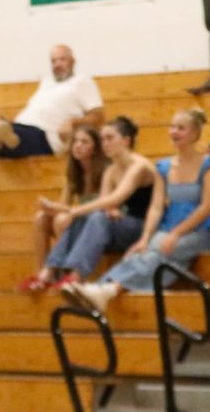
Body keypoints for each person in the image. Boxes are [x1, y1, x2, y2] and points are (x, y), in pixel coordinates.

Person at [65, 109, 210, 314]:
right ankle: (107, 288)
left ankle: (107, 287)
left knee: (161, 249)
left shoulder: (209, 166)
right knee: (145, 250)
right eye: (172, 127)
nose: (174, 132)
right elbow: (156, 207)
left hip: (201, 231)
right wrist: (144, 238)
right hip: (167, 228)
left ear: (194, 133)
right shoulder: (163, 167)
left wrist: (176, 233)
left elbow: (206, 207)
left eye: (180, 128)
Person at [26, 117, 154, 292]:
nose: (105, 143)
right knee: (87, 217)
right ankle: (48, 272)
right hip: (122, 227)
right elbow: (104, 204)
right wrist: (90, 211)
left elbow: (115, 198)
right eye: (102, 139)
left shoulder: (139, 166)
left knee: (92, 217)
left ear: (126, 140)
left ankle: (75, 276)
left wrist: (71, 210)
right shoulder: (111, 170)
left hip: (142, 227)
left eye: (110, 138)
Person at [0, 46, 103, 189]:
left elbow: (99, 117)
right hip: (20, 129)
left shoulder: (82, 81)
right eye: (53, 61)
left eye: (62, 60)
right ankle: (0, 128)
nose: (57, 64)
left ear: (73, 61)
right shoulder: (47, 81)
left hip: (42, 136)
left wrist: (73, 121)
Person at [21, 125, 105, 288]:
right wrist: (49, 207)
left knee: (62, 220)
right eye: (75, 141)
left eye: (84, 142)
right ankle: (42, 274)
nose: (78, 145)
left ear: (95, 149)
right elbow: (63, 204)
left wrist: (62, 211)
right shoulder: (74, 173)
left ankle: (65, 271)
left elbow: (101, 205)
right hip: (79, 217)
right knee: (41, 218)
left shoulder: (104, 172)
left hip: (94, 220)